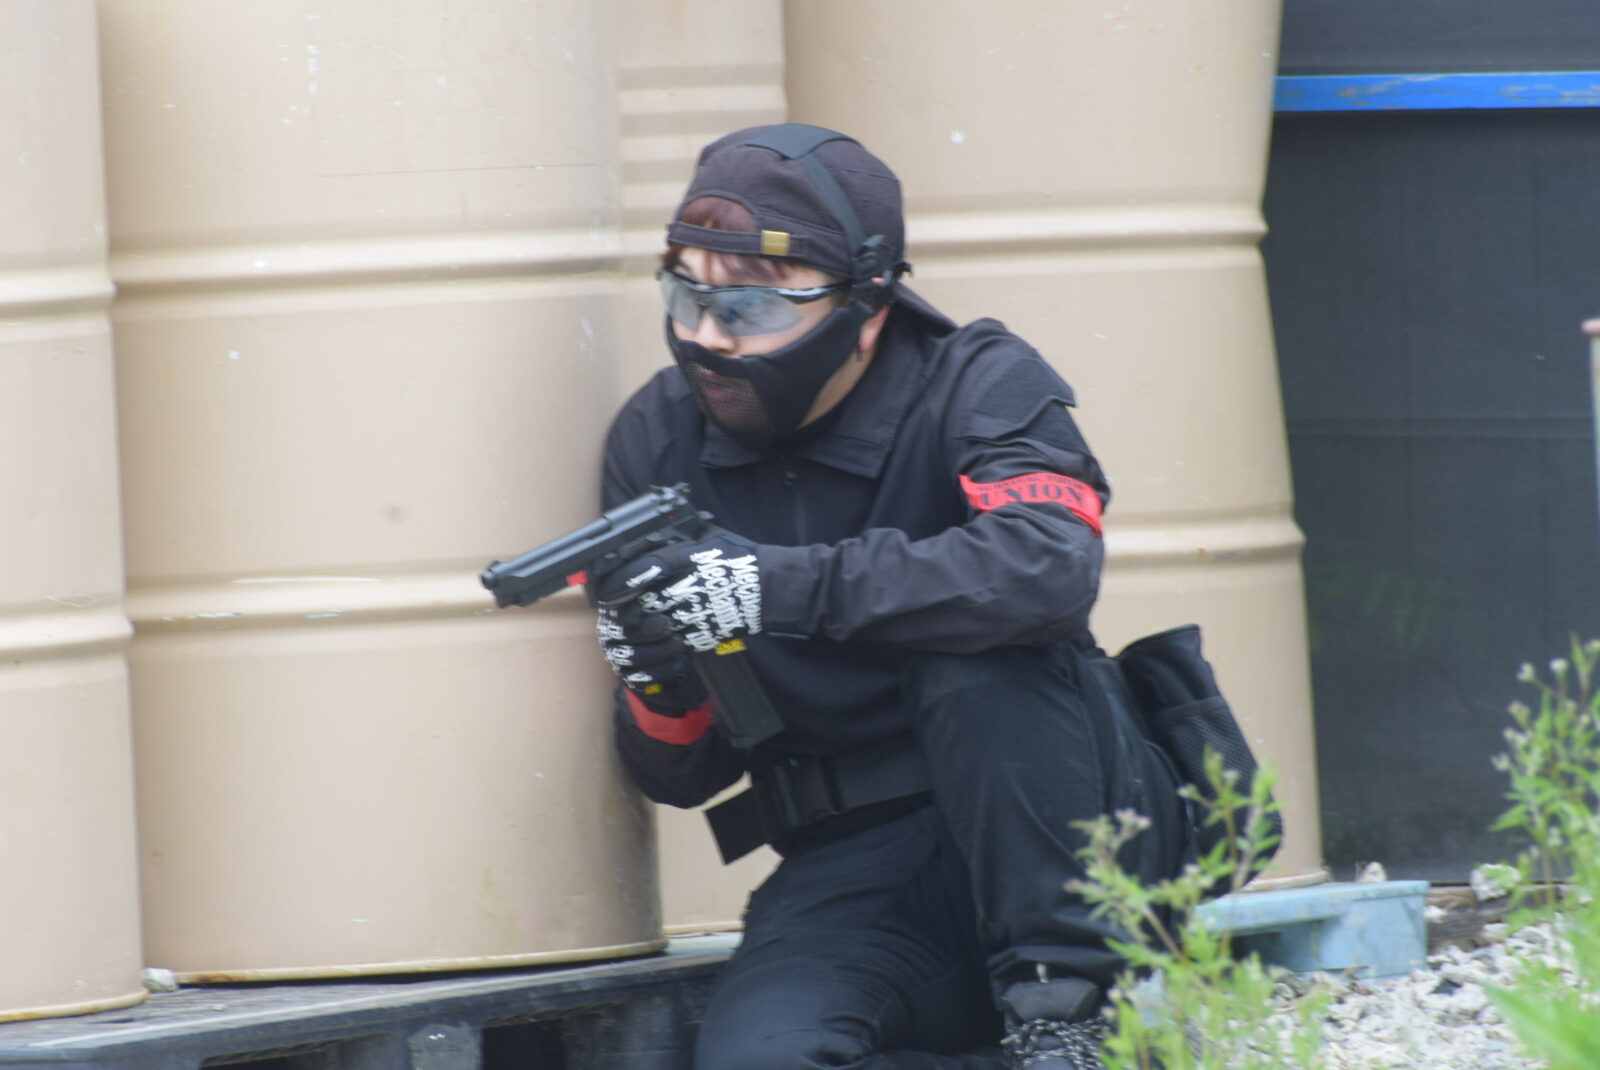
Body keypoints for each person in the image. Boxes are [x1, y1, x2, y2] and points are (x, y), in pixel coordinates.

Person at [590, 123, 1192, 1070]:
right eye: (686, 294)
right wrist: (658, 681)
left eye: (748, 304)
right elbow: (684, 776)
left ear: (866, 307)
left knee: (973, 644)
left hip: (1064, 836)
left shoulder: (977, 381)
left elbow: (1047, 570)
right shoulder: (657, 441)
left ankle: (1072, 1012)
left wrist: (770, 586)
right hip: (855, 856)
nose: (707, 336)